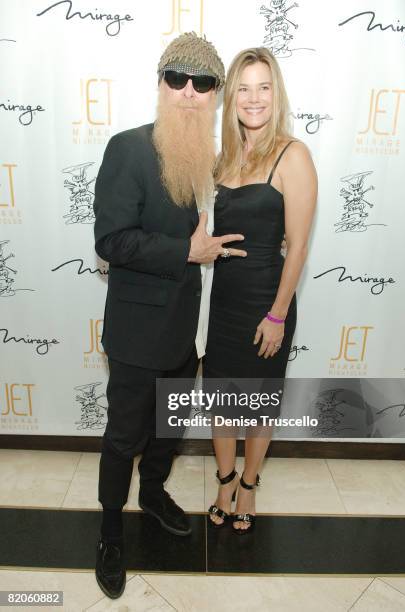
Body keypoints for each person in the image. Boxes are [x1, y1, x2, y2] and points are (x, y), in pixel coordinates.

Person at [92, 33, 247, 599]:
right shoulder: (129, 149)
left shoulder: (212, 158)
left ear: (215, 96)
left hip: (188, 332)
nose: (188, 92)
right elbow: (111, 239)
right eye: (177, 79)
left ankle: (152, 494)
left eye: (202, 83)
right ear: (160, 85)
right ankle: (110, 530)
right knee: (123, 436)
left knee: (170, 428)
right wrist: (185, 251)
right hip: (136, 335)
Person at [203, 47, 318, 534]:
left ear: (277, 94)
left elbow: (297, 249)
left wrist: (277, 314)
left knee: (258, 402)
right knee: (221, 399)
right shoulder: (224, 157)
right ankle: (224, 478)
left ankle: (249, 483)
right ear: (232, 98)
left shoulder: (293, 155)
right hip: (225, 300)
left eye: (263, 87)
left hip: (267, 302)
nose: (254, 98)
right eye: (244, 88)